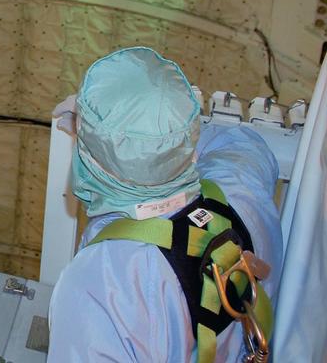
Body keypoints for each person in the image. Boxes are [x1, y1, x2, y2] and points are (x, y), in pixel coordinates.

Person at [48, 47, 282, 363]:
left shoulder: (100, 283)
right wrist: (163, 140)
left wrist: (98, 130)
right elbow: (242, 142)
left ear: (89, 162)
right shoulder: (241, 183)